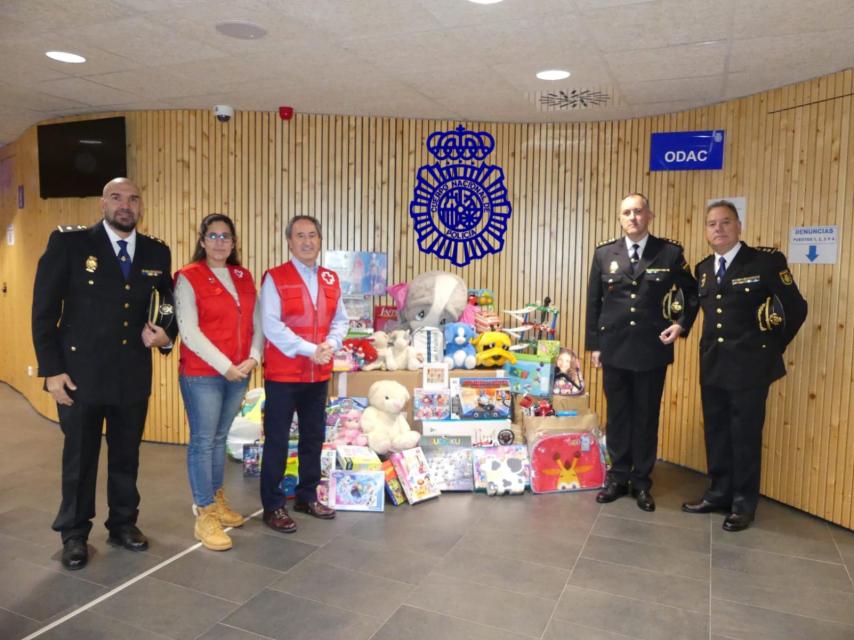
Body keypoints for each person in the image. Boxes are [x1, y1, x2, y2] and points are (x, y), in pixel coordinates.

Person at [31, 177, 176, 570]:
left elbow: (167, 304)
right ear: (102, 204)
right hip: (80, 375)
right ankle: (74, 533)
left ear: (140, 207)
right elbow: (44, 311)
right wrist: (52, 370)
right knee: (80, 457)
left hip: (131, 374)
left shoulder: (155, 252)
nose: (125, 205)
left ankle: (123, 523)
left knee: (127, 456)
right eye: (116, 198)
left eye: (132, 199)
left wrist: (165, 335)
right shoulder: (70, 244)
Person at [682, 201, 807, 532]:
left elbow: (795, 307)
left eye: (725, 222)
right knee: (716, 432)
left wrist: (771, 347)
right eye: (712, 224)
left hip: (751, 368)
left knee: (745, 436)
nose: (718, 229)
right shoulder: (704, 268)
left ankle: (743, 503)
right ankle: (719, 493)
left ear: (739, 227)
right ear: (706, 231)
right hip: (713, 364)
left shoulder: (765, 263)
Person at [586, 193, 699, 511]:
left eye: (638, 211)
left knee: (647, 416)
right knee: (618, 415)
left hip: (652, 349)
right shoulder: (604, 253)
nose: (632, 217)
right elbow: (594, 302)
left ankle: (642, 482)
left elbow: (692, 294)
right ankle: (618, 477)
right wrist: (594, 345)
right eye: (626, 212)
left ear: (649, 215)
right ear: (620, 218)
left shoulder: (669, 253)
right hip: (615, 348)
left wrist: (681, 325)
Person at [174, 213, 263, 551]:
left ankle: (217, 500)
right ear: (202, 241)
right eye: (213, 236)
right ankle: (204, 514)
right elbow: (189, 332)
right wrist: (227, 366)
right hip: (203, 375)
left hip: (239, 372)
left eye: (226, 236)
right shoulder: (188, 277)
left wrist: (254, 357)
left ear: (234, 242)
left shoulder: (243, 275)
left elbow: (257, 322)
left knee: (219, 439)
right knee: (202, 441)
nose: (220, 242)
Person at [259, 215, 348, 533]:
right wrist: (311, 349)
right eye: (300, 236)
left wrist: (331, 343)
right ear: (289, 242)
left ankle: (306, 496)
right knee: (277, 441)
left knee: (314, 437)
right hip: (284, 375)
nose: (307, 241)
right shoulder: (275, 278)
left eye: (313, 235)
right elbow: (271, 326)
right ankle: (272, 506)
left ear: (320, 240)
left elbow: (340, 320)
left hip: (318, 375)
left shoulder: (330, 279)